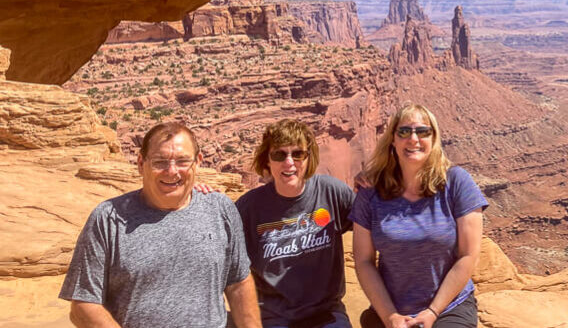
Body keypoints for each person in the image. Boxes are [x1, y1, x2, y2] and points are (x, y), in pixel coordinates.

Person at [59, 122, 260, 328]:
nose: (171, 171)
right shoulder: (108, 218)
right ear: (141, 163)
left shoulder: (220, 209)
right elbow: (83, 306)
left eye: (182, 161)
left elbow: (238, 284)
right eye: (160, 162)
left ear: (198, 162)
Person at [351, 104, 487, 328]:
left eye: (423, 131)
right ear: (392, 140)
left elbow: (468, 255)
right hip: (391, 310)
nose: (413, 139)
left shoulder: (456, 182)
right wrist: (390, 317)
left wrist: (433, 312)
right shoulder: (371, 191)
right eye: (404, 131)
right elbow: (364, 261)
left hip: (448, 307)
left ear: (434, 138)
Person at [235, 119, 355, 328]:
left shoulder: (331, 192)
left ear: (309, 157)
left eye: (298, 154)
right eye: (279, 155)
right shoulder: (249, 208)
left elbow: (375, 224)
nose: (289, 162)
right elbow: (224, 260)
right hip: (273, 318)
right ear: (267, 160)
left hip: (326, 314)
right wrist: (197, 196)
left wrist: (374, 181)